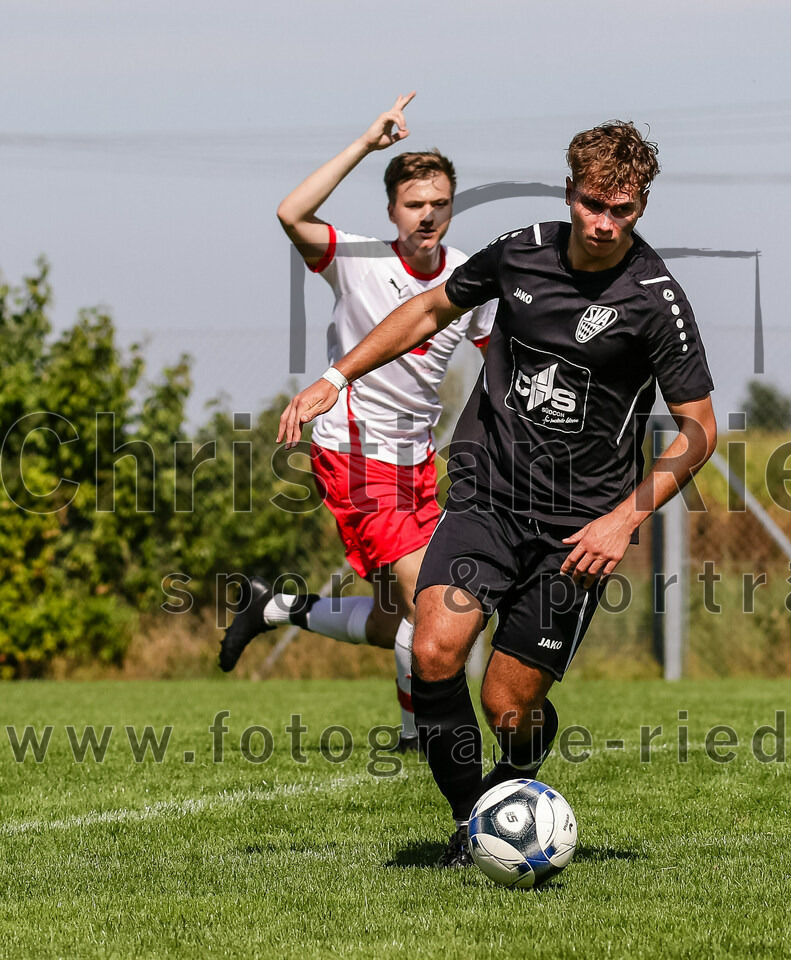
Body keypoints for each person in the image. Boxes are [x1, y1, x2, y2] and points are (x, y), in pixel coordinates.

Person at [278, 120, 717, 863]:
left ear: (641, 207)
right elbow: (425, 311)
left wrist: (622, 521)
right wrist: (336, 376)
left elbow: (699, 429)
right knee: (437, 649)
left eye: (624, 210)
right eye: (592, 204)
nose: (605, 224)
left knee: (508, 704)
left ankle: (515, 781)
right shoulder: (519, 253)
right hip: (487, 496)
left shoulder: (655, 301)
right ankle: (470, 824)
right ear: (570, 191)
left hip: (578, 529)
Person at [220, 94, 494, 754]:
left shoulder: (467, 279)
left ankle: (276, 608)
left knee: (399, 619)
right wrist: (364, 145)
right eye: (413, 204)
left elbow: (499, 363)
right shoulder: (358, 259)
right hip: (353, 453)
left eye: (439, 204)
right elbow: (291, 213)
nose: (427, 215)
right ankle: (419, 737)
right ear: (393, 209)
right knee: (441, 602)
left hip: (417, 462)